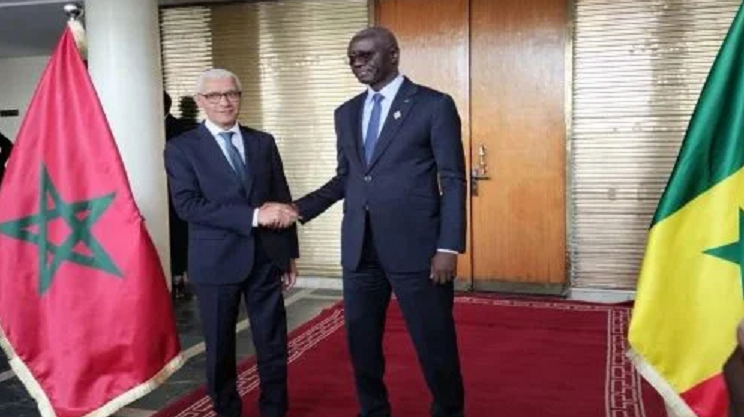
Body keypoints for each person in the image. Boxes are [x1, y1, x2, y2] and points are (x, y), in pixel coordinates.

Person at [291, 26, 467, 417]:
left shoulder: (433, 105)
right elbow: (348, 178)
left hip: (419, 250)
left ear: (393, 55)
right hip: (360, 249)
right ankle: (373, 410)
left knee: (434, 342)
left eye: (366, 55)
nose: (358, 63)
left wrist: (448, 246)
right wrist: (298, 208)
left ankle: (449, 410)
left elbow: (453, 179)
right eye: (352, 58)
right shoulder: (346, 113)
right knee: (362, 343)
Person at [164, 68, 299, 417]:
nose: (224, 102)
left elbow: (281, 196)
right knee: (220, 348)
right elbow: (188, 205)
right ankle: (227, 410)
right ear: (200, 101)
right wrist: (253, 216)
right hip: (215, 262)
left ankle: (274, 410)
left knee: (273, 343)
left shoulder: (262, 142)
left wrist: (288, 254)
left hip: (266, 257)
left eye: (232, 94)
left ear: (240, 97)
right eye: (214, 95)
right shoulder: (181, 148)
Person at [164, 91, 197, 300]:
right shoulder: (138, 127)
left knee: (179, 234)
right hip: (153, 191)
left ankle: (179, 278)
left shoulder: (185, 129)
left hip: (177, 190)